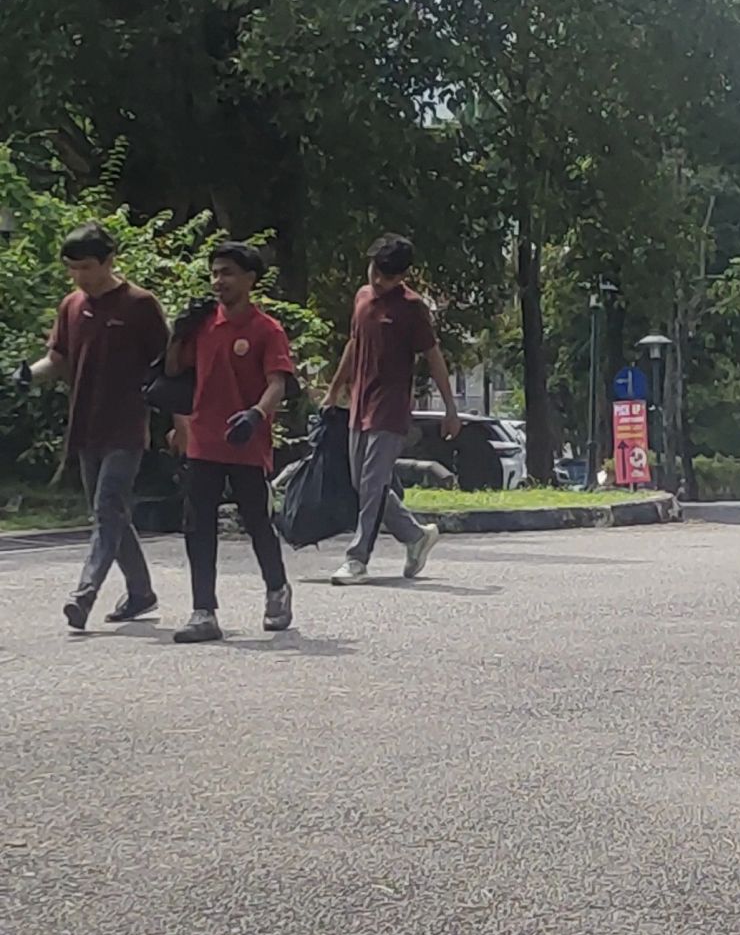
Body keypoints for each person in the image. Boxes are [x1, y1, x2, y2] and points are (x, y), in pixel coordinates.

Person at [14, 222, 168, 631]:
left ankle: (84, 594)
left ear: (109, 261)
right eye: (72, 268)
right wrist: (28, 375)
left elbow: (169, 366)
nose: (79, 276)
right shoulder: (71, 306)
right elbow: (58, 359)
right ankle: (141, 592)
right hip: (86, 424)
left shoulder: (140, 304)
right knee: (111, 513)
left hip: (128, 425)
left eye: (86, 267)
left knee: (107, 508)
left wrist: (180, 420)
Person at [166, 243, 294, 642]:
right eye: (215, 272)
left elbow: (278, 383)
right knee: (198, 524)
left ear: (250, 279)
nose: (219, 280)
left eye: (228, 273)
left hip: (246, 441)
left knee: (256, 520)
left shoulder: (267, 330)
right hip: (204, 438)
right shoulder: (204, 325)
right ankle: (203, 611)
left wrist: (256, 414)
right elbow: (173, 370)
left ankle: (277, 589)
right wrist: (178, 334)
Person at [324, 234, 460, 583]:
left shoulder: (412, 308)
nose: (377, 280)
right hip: (360, 402)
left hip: (391, 407)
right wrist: (334, 389)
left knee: (372, 484)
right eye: (374, 271)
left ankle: (357, 559)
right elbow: (354, 343)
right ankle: (415, 536)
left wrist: (450, 408)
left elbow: (433, 357)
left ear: (402, 276)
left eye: (387, 276)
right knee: (362, 483)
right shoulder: (362, 297)